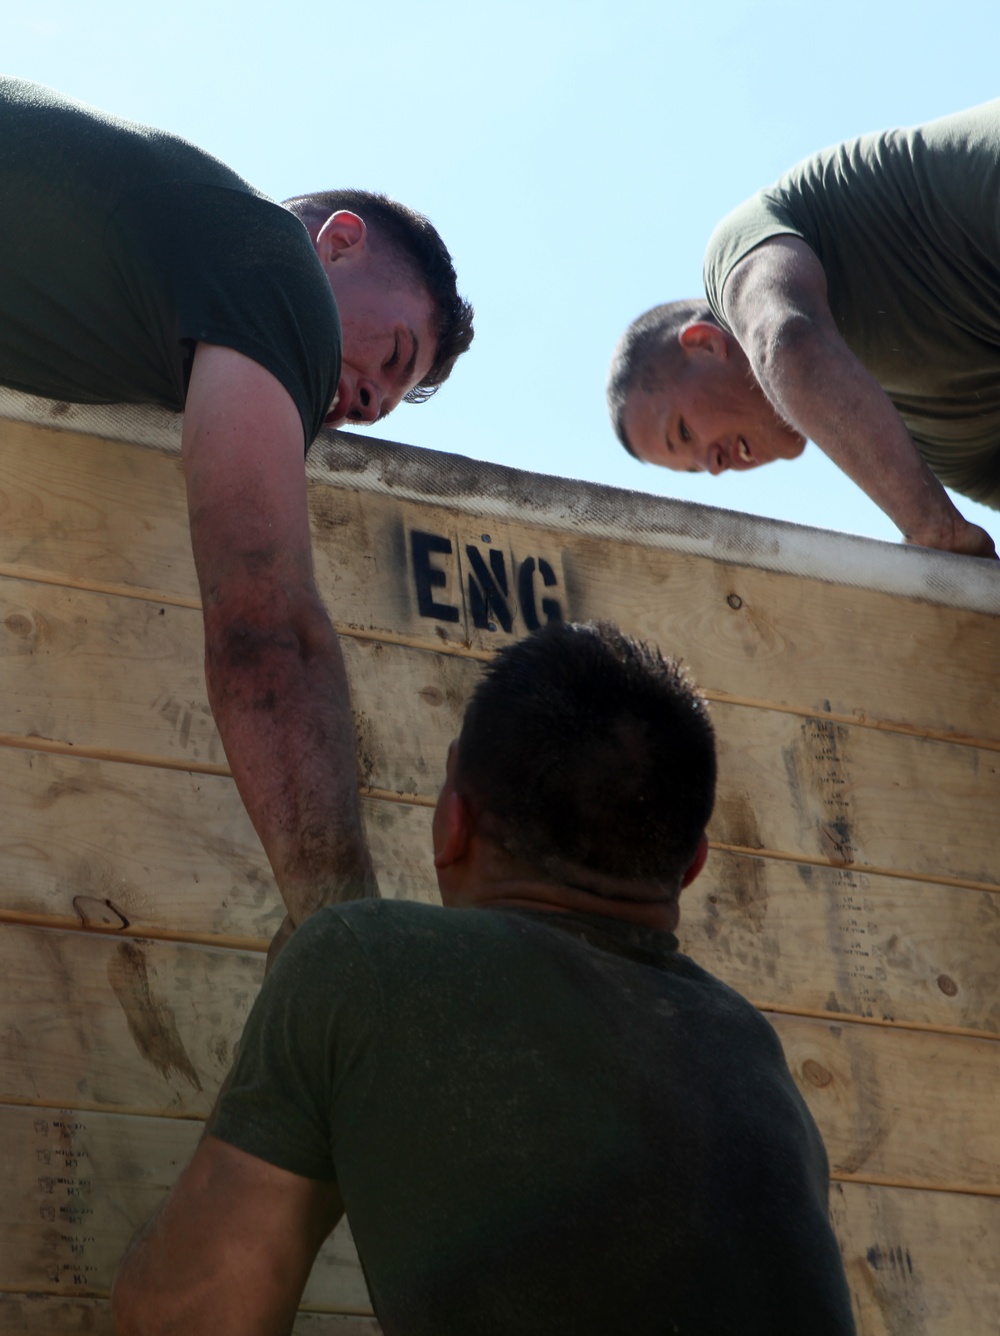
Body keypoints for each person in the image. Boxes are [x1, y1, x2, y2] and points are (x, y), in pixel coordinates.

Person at [111, 621, 856, 1336]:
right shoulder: (749, 1046)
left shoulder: (363, 962)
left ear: (452, 825)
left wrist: (305, 1082)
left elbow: (184, 1320)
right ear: (691, 866)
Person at [0, 77, 474, 923]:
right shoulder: (274, 266)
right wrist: (338, 936)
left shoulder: (175, 274)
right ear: (339, 243)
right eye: (392, 357)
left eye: (383, 404)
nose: (365, 401)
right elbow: (265, 623)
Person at [607, 101, 1000, 560]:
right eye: (693, 471)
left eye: (684, 433)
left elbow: (787, 340)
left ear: (705, 344)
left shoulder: (736, 256)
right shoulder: (923, 441)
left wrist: (933, 529)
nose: (711, 466)